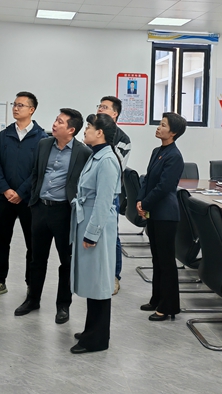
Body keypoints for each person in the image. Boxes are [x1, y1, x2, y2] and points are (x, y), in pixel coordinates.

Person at [14, 108, 91, 324]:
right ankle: (32, 299)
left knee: (66, 261)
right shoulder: (44, 144)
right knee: (36, 258)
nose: (54, 124)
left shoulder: (83, 153)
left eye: (60, 122)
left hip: (64, 212)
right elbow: (36, 174)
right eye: (56, 120)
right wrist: (33, 202)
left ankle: (63, 305)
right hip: (40, 209)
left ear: (71, 130)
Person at [0, 91, 47, 300]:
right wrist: (5, 189)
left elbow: (39, 170)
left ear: (32, 110)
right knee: (2, 242)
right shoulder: (5, 135)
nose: (16, 108)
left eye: (21, 105)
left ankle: (31, 284)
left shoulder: (42, 138)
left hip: (29, 201)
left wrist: (21, 192)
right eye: (14, 104)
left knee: (32, 244)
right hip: (4, 199)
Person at [69, 113, 122, 354]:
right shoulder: (97, 154)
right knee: (93, 280)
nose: (86, 130)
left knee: (99, 281)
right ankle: (91, 329)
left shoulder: (108, 160)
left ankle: (97, 339)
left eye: (89, 127)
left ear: (100, 132)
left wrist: (92, 233)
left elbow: (103, 201)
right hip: (89, 219)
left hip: (97, 225)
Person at [136, 112, 186, 321]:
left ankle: (168, 307)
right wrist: (140, 201)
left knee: (166, 261)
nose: (158, 127)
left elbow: (165, 187)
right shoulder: (157, 151)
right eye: (160, 123)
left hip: (166, 214)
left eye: (163, 125)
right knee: (156, 259)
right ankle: (156, 298)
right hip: (154, 211)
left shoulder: (175, 156)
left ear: (173, 132)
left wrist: (145, 203)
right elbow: (148, 179)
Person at [96, 96, 131, 295]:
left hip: (110, 194)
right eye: (99, 106)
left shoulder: (123, 139)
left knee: (111, 234)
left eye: (104, 107)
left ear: (115, 113)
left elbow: (115, 167)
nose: (100, 110)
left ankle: (114, 276)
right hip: (90, 192)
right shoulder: (93, 130)